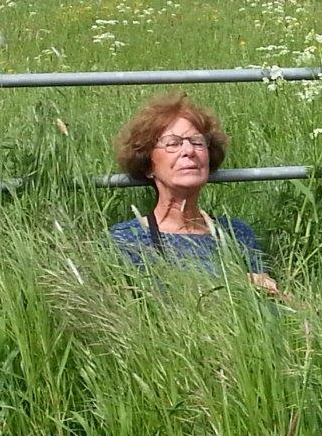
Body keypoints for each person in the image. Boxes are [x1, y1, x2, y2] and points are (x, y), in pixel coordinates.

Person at [110, 91, 282, 297]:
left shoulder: (237, 233)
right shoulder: (125, 239)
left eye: (198, 142)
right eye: (173, 143)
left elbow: (267, 302)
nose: (189, 151)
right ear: (148, 164)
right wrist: (235, 281)